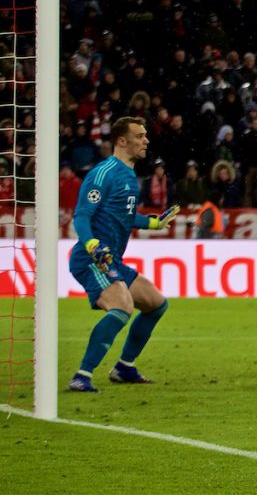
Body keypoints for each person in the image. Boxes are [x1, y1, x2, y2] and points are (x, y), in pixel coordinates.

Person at [67, 117, 181, 393]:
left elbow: (125, 216)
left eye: (145, 135)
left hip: (112, 259)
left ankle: (124, 368)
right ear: (122, 141)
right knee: (122, 307)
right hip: (91, 256)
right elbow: (81, 216)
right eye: (140, 136)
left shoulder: (130, 175)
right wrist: (93, 244)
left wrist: (154, 223)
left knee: (156, 304)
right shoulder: (104, 173)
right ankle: (82, 375)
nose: (146, 140)